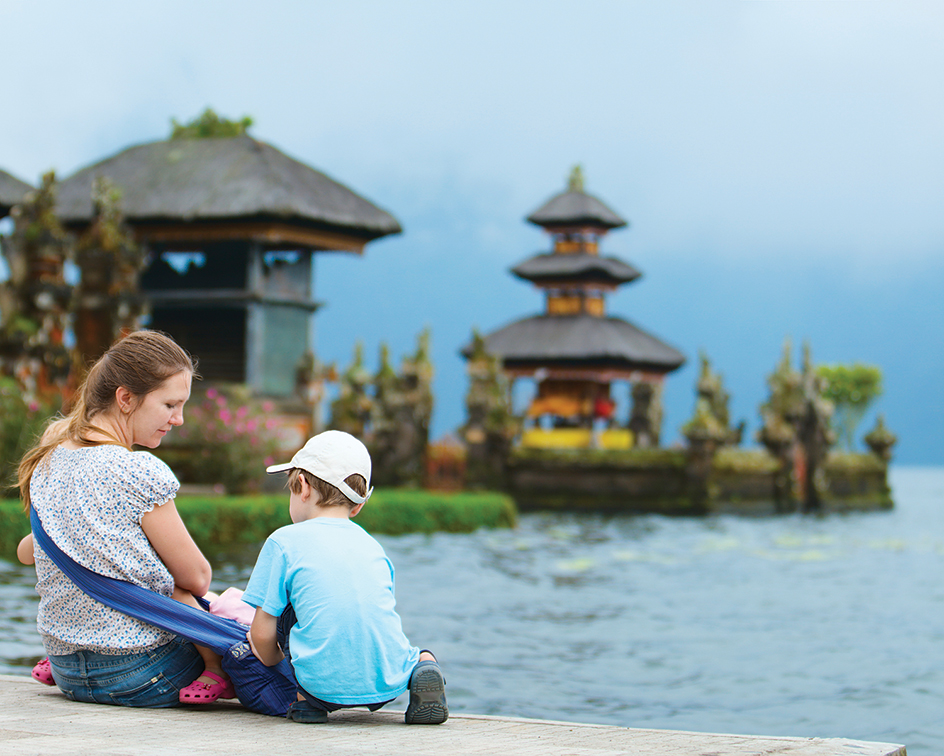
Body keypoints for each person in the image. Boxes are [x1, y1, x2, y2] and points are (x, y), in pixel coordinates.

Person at [17, 330, 233, 707]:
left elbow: (29, 550)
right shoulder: (136, 471)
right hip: (142, 674)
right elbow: (196, 577)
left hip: (67, 671)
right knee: (218, 607)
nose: (179, 419)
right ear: (126, 398)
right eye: (170, 405)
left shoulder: (49, 458)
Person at [243, 430, 448, 725]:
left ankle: (307, 702)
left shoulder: (283, 542)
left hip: (320, 685)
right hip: (388, 681)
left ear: (302, 486)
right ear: (359, 504)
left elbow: (262, 635)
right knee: (417, 654)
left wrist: (274, 661)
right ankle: (423, 668)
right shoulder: (374, 547)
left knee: (286, 609)